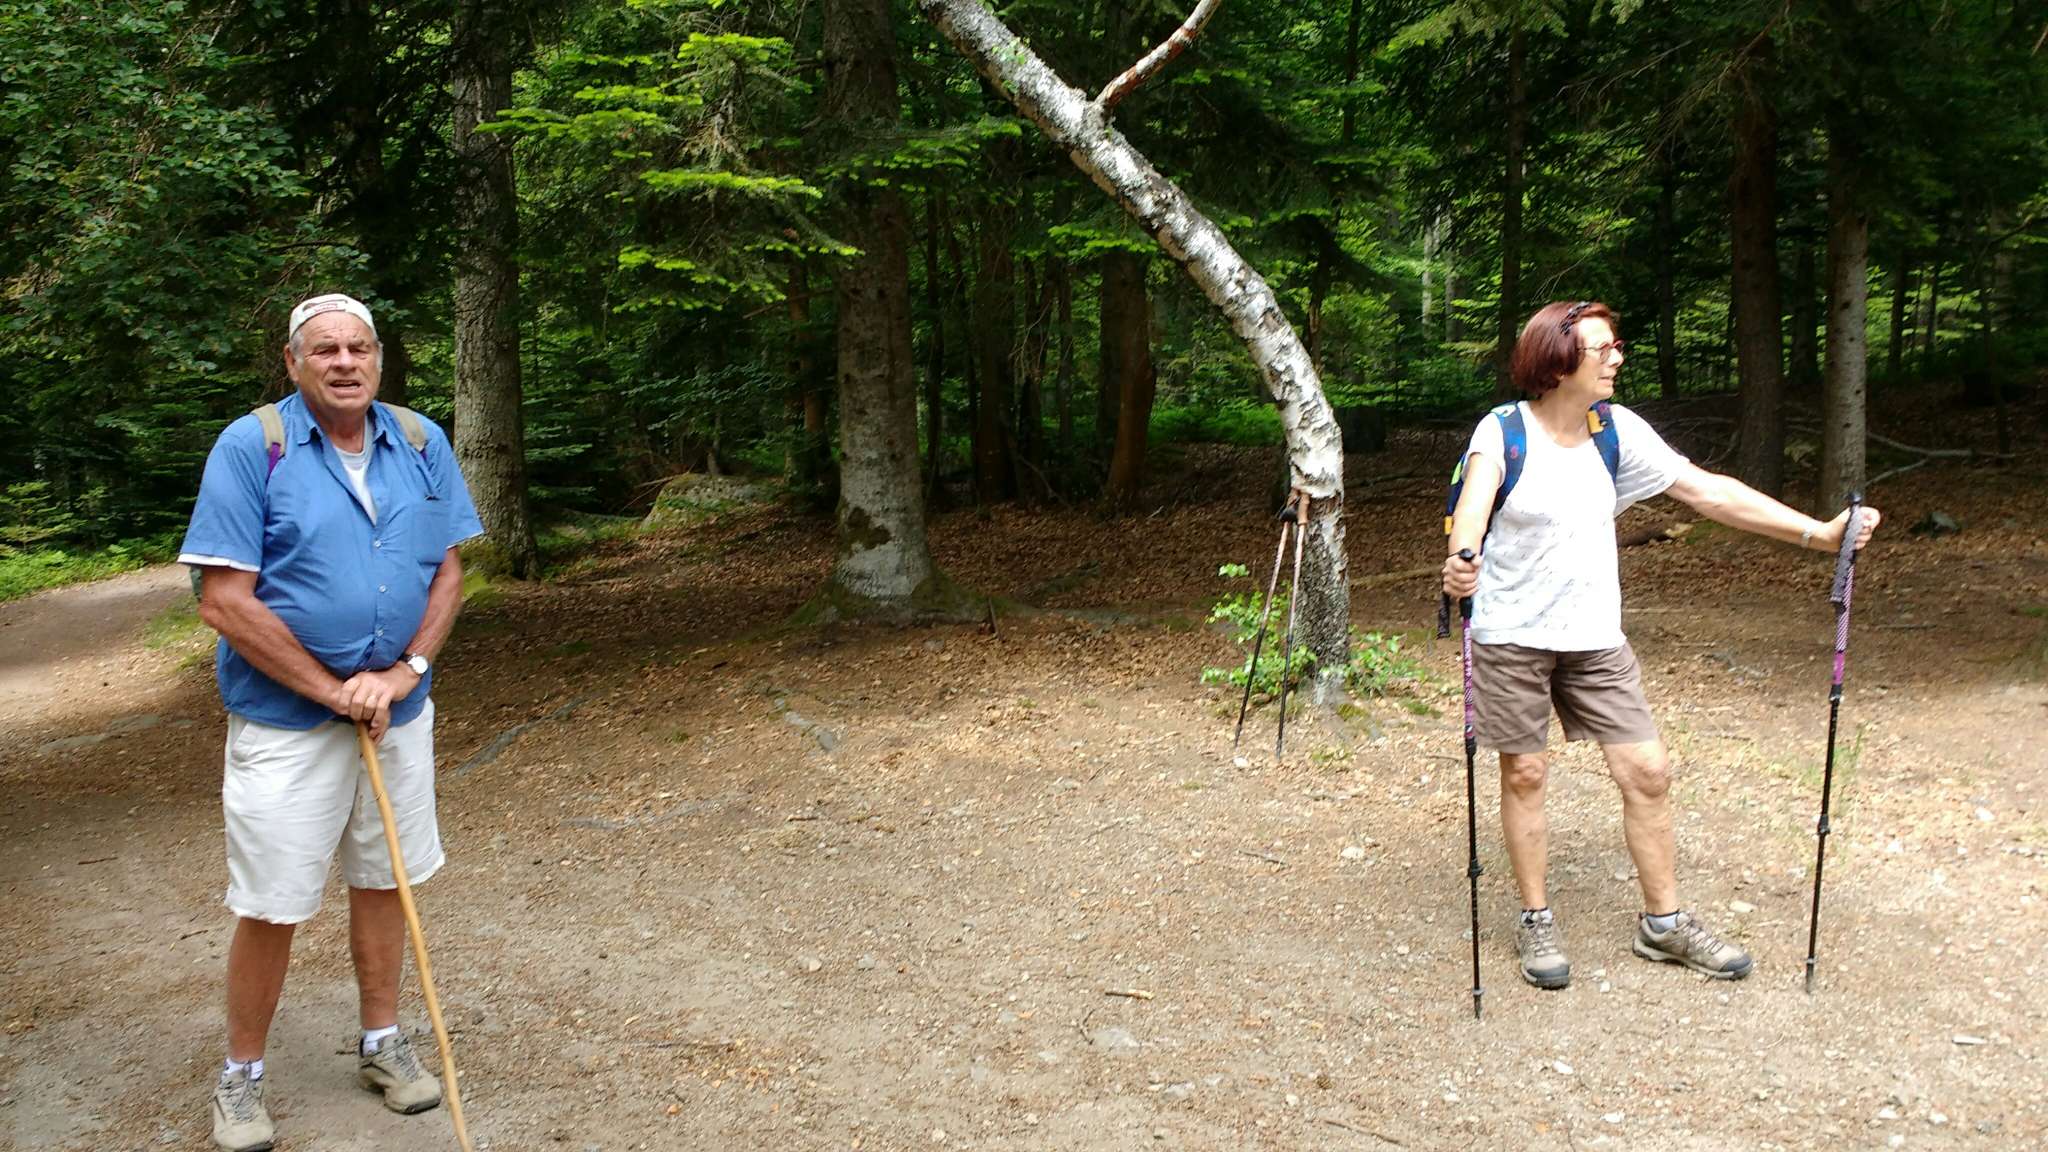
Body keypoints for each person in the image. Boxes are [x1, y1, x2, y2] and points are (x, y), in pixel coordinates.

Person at [1441, 300, 1881, 990]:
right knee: (1525, 773)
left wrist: (1818, 535)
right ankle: (1535, 918)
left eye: (1616, 345)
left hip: (1593, 636)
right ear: (1557, 362)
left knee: (1648, 771)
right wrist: (1462, 554)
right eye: (1603, 349)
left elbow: (1709, 493)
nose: (1617, 358)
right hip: (1511, 633)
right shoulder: (1504, 430)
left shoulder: (1615, 430)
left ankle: (1664, 924)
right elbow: (1474, 501)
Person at [179, 294, 484, 1151]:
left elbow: (447, 572)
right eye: (325, 350)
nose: (345, 362)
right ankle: (241, 1076)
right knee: (273, 900)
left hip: (398, 714)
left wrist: (402, 672)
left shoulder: (419, 441)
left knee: (386, 878)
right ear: (293, 362)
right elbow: (223, 599)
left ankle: (382, 1041)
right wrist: (331, 689)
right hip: (285, 722)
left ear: (378, 357)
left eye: (358, 348)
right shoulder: (255, 447)